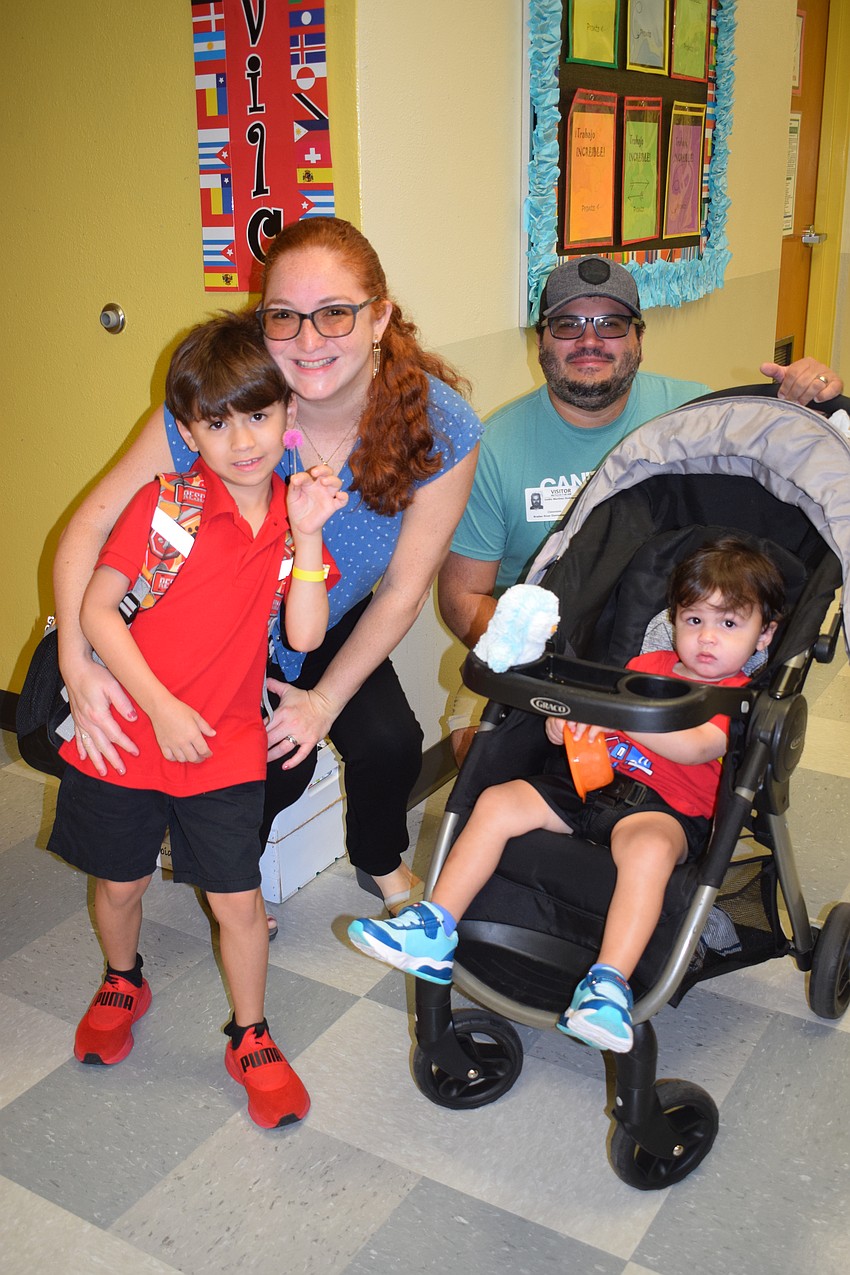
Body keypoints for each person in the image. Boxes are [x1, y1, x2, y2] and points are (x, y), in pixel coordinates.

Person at [52, 217, 482, 915]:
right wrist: (76, 663)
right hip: (218, 625)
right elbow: (91, 524)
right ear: (263, 323)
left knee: (390, 744)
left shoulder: (441, 425)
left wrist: (323, 702)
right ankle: (234, 885)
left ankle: (379, 856)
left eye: (335, 313)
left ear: (379, 318)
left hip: (327, 613)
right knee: (271, 769)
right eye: (284, 317)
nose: (308, 342)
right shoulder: (225, 405)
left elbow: (404, 590)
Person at [48, 311, 347, 1127]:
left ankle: (250, 1035)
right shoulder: (166, 505)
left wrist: (309, 535)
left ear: (288, 415)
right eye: (216, 423)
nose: (242, 440)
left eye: (259, 415)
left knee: (238, 904)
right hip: (128, 730)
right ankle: (122, 979)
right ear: (187, 433)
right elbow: (99, 611)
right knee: (120, 883)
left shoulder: (294, 516)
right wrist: (161, 706)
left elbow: (305, 635)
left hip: (225, 746)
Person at [348, 536, 784, 1054]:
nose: (707, 637)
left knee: (648, 852)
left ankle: (607, 986)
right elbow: (591, 721)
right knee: (497, 802)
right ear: (673, 619)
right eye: (694, 620)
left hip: (665, 810)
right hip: (589, 786)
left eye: (729, 624)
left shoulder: (736, 701)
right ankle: (434, 926)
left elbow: (695, 747)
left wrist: (619, 717)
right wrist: (570, 726)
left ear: (764, 634)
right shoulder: (645, 668)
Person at [438, 254, 840, 759]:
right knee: (485, 755)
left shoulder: (694, 421)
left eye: (611, 324)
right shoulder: (493, 448)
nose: (589, 340)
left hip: (673, 654)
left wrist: (809, 399)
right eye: (568, 324)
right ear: (540, 341)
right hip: (534, 654)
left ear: (639, 339)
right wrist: (542, 656)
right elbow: (461, 598)